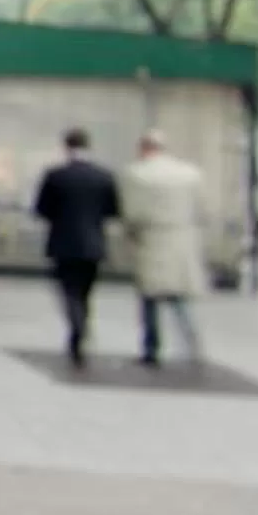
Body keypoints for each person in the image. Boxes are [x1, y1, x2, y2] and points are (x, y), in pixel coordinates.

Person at [32, 128, 119, 368]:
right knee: (85, 291)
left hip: (63, 242)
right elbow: (112, 210)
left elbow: (41, 209)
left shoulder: (55, 175)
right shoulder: (104, 176)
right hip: (93, 243)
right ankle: (81, 326)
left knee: (68, 291)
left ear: (66, 147)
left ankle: (78, 327)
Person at [122, 131, 207, 367]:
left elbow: (132, 214)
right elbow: (200, 207)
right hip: (181, 241)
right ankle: (192, 344)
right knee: (179, 299)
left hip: (152, 240)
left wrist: (131, 237)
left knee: (149, 299)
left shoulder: (137, 175)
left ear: (143, 148)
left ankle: (151, 348)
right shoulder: (189, 174)